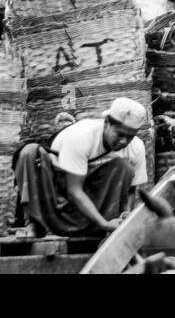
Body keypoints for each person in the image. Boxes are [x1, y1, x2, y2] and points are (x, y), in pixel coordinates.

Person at [14, 98, 148, 237]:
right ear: (107, 122)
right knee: (30, 152)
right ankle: (36, 225)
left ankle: (105, 229)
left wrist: (126, 217)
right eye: (119, 134)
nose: (123, 142)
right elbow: (73, 190)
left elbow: (131, 192)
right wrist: (104, 223)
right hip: (57, 192)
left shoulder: (136, 147)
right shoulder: (82, 136)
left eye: (129, 137)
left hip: (92, 197)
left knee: (123, 167)